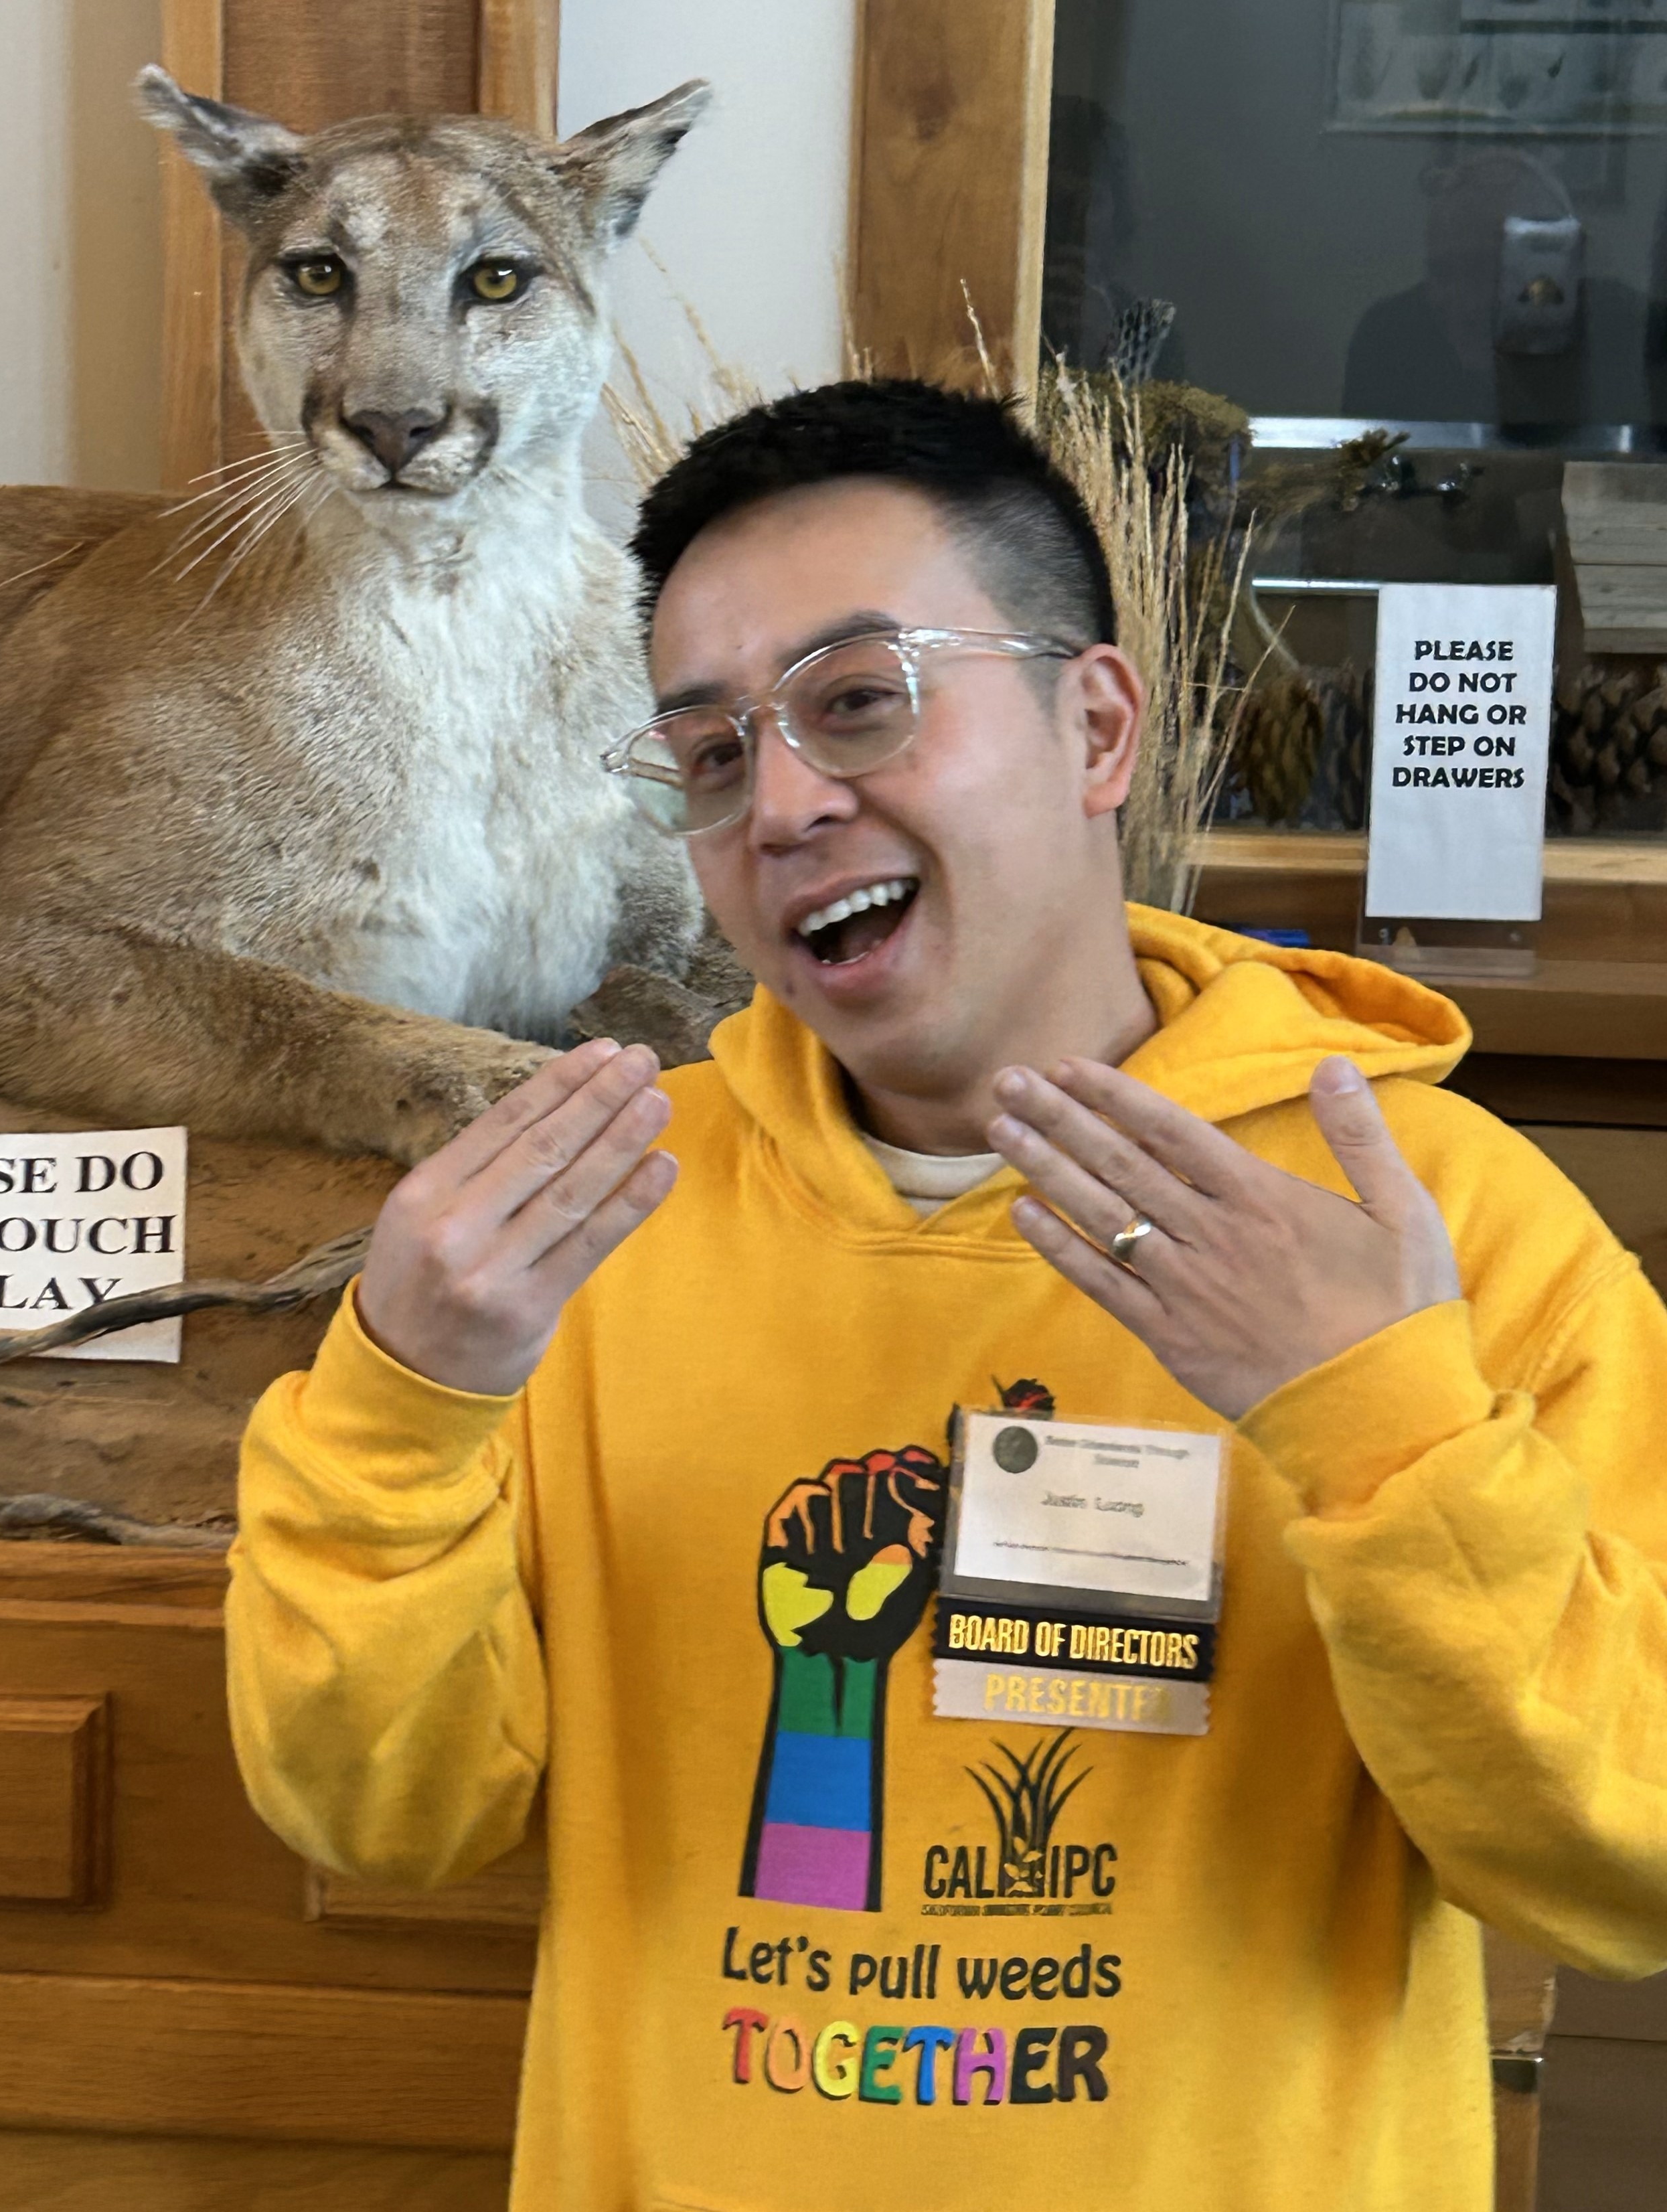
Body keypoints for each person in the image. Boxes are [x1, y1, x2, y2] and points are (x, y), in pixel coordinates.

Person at [228, 380, 1667, 2210]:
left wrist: (1384, 1427)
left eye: (856, 701)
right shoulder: (589, 1226)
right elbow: (384, 1821)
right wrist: (394, 1404)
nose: (784, 806)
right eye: (713, 758)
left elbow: (1625, 1876)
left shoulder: (1440, 1229)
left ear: (1094, 724)